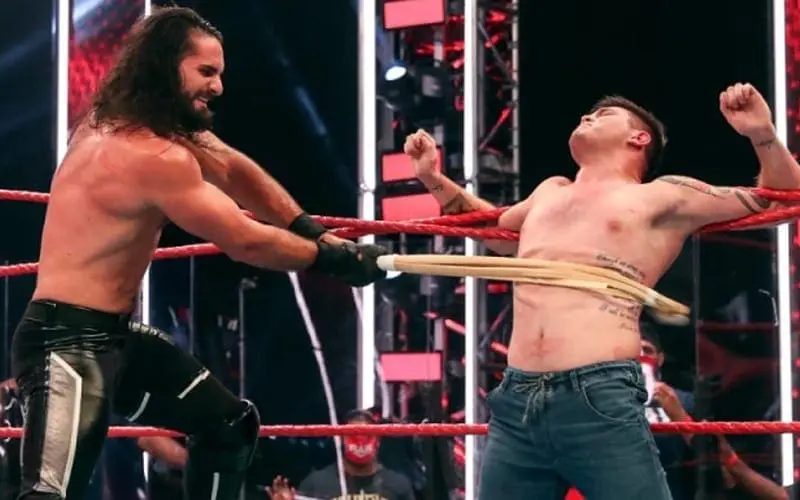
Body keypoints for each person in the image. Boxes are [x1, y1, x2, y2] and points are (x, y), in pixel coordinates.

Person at [11, 6, 387, 500]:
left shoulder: (131, 126)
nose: (218, 87)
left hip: (114, 337)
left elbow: (233, 169)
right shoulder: (150, 156)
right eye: (206, 72)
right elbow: (244, 239)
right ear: (167, 66)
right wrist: (329, 260)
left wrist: (313, 233)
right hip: (65, 341)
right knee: (48, 494)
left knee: (228, 425)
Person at [405, 83, 800, 499]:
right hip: (517, 401)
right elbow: (492, 231)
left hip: (597, 393)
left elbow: (785, 201)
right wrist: (433, 178)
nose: (586, 116)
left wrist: (762, 133)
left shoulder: (661, 196)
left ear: (639, 137)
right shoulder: (550, 191)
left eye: (603, 114)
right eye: (588, 113)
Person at [268, 409, 415, 500]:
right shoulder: (316, 483)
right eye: (354, 436)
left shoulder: (398, 485)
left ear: (377, 440)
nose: (360, 443)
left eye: (367, 436)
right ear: (342, 438)